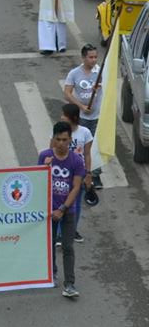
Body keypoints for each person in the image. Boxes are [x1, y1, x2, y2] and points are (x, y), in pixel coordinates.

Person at [38, 121, 84, 299]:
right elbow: (36, 181)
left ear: (70, 140)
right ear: (53, 139)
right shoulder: (45, 156)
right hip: (49, 211)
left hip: (67, 211)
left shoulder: (76, 160)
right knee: (48, 244)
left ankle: (70, 284)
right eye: (58, 140)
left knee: (67, 246)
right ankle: (52, 273)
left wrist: (63, 208)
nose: (61, 144)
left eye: (65, 140)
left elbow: (76, 187)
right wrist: (44, 168)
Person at [59, 103, 93, 242]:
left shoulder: (85, 132)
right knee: (61, 201)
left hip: (78, 174)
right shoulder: (59, 131)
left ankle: (72, 231)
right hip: (61, 173)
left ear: (73, 117)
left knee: (76, 204)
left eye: (64, 115)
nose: (61, 117)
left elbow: (87, 155)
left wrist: (88, 174)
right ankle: (60, 234)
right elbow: (51, 150)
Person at [63, 44, 102, 136]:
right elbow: (67, 93)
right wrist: (81, 107)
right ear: (83, 58)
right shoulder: (74, 73)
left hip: (98, 116)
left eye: (95, 57)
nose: (94, 60)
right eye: (91, 57)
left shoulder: (101, 72)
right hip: (81, 117)